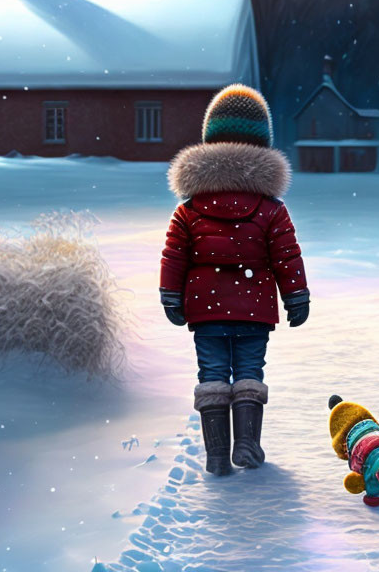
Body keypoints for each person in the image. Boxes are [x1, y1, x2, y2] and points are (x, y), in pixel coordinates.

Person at [159, 84, 310, 476]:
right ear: (262, 147)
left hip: (206, 311)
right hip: (253, 311)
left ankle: (215, 454)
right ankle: (246, 442)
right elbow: (286, 255)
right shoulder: (271, 209)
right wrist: (296, 295)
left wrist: (170, 295)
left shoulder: (189, 208)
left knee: (211, 374)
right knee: (248, 372)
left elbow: (174, 255)